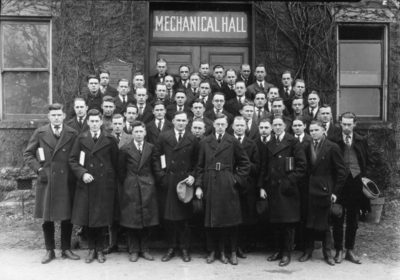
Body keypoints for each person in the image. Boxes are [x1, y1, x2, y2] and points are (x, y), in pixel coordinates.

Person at [24, 103, 79, 264]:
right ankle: (50, 250)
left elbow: (76, 155)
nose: (56, 118)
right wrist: (39, 170)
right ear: (49, 117)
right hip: (47, 180)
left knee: (66, 217)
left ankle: (66, 249)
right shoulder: (40, 133)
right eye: (53, 115)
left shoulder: (72, 133)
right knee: (47, 218)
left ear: (63, 116)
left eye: (59, 115)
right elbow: (28, 154)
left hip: (66, 181)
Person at [195, 113, 250, 265]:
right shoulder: (205, 142)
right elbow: (199, 166)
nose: (220, 126)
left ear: (227, 126)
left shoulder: (232, 141)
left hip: (227, 183)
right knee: (211, 221)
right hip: (209, 183)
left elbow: (245, 164)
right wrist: (199, 186)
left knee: (230, 221)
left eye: (223, 124)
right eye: (217, 124)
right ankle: (213, 251)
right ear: (213, 125)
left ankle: (231, 251)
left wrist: (235, 179)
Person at [69, 109, 119, 264]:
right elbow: (73, 160)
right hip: (87, 184)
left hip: (104, 185)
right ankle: (91, 249)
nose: (95, 124)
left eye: (98, 121)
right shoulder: (81, 138)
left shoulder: (110, 139)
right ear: (88, 122)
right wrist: (83, 173)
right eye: (92, 121)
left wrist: (111, 179)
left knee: (103, 219)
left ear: (101, 122)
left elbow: (116, 162)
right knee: (89, 219)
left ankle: (100, 250)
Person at [257, 115, 307, 267]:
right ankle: (278, 250)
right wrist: (261, 187)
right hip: (272, 188)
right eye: (275, 125)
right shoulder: (270, 143)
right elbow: (264, 167)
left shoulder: (293, 141)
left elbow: (302, 166)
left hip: (287, 189)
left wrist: (289, 181)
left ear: (285, 126)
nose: (277, 127)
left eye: (280, 125)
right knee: (276, 223)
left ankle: (286, 253)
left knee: (288, 223)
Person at [153, 111, 200, 263]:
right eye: (178, 120)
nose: (180, 123)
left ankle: (185, 248)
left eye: (183, 121)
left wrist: (193, 175)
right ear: (173, 121)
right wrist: (162, 176)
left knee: (184, 218)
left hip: (184, 183)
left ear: (187, 122)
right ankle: (171, 248)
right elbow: (156, 158)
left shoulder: (192, 139)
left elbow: (197, 162)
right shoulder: (163, 136)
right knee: (169, 218)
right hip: (168, 182)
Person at [300, 121, 347, 266]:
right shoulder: (306, 146)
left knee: (324, 223)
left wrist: (335, 192)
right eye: (311, 130)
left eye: (316, 130)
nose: (313, 132)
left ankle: (328, 253)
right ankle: (308, 251)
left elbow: (342, 172)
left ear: (323, 130)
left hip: (325, 189)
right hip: (309, 189)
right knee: (309, 220)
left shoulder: (332, 147)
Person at [332, 112, 374, 265]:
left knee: (353, 218)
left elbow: (369, 162)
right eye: (344, 124)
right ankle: (338, 250)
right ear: (340, 124)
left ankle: (349, 249)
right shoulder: (334, 140)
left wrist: (365, 177)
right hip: (340, 183)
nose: (347, 127)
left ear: (355, 124)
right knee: (337, 217)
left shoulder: (361, 140)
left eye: (350, 124)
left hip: (356, 182)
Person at [118, 121, 159, 262]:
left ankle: (145, 248)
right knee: (132, 220)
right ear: (132, 133)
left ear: (145, 132)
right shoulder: (125, 149)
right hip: (132, 187)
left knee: (147, 218)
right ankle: (133, 250)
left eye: (141, 131)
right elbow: (121, 171)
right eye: (136, 132)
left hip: (148, 186)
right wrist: (130, 182)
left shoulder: (151, 148)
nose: (139, 134)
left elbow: (155, 167)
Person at [102, 114, 134, 255]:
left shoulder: (130, 138)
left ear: (124, 124)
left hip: (126, 179)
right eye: (115, 124)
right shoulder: (106, 138)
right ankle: (112, 243)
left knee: (126, 209)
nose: (117, 126)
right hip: (110, 180)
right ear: (111, 125)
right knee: (112, 211)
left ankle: (129, 244)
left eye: (120, 123)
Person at [231, 116, 260, 258]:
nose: (240, 128)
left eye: (242, 125)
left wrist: (244, 165)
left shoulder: (251, 144)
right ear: (232, 126)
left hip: (247, 185)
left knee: (246, 216)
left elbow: (257, 166)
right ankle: (232, 246)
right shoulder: (227, 141)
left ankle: (243, 245)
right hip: (230, 184)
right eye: (237, 125)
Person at [291, 116, 312, 251]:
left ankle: (303, 243)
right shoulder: (289, 140)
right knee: (293, 211)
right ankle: (294, 241)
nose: (297, 128)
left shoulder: (310, 141)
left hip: (306, 181)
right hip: (292, 180)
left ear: (304, 126)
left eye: (300, 125)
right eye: (295, 126)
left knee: (305, 212)